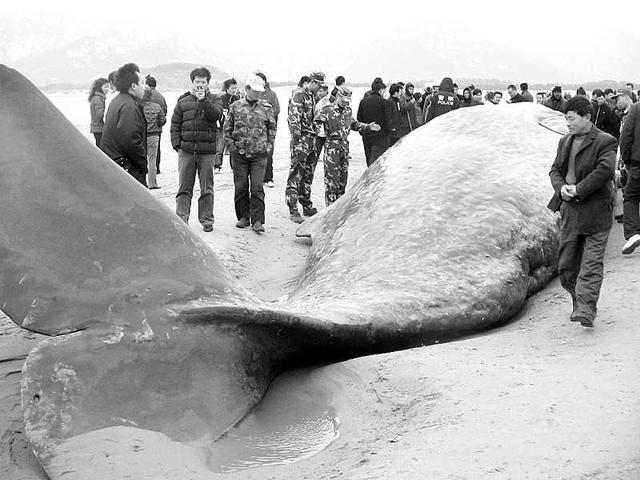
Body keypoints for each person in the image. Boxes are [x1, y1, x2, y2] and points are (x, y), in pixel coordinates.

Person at [547, 96, 617, 328]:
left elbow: (605, 170)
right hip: (570, 211)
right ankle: (578, 298)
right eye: (566, 119)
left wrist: (578, 189)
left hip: (595, 211)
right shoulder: (565, 141)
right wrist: (562, 189)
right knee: (567, 266)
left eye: (571, 118)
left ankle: (586, 309)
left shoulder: (605, 141)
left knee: (591, 264)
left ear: (587, 117)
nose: (567, 123)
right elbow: (555, 170)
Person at [170, 67, 223, 232]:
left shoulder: (214, 100)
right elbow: (175, 125)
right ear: (192, 82)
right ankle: (181, 218)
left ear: (208, 83)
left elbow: (216, 116)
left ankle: (207, 220)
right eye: (197, 81)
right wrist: (177, 145)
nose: (200, 85)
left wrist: (203, 101)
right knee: (184, 187)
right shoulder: (182, 101)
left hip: (206, 152)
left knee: (207, 188)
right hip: (186, 151)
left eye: (203, 82)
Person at [224, 74, 277, 233]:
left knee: (257, 187)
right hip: (239, 154)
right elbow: (227, 129)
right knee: (241, 186)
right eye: (254, 91)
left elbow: (272, 129)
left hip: (259, 155)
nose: (257, 94)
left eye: (259, 91)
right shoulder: (235, 106)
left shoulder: (267, 108)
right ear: (247, 89)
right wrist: (232, 147)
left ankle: (258, 220)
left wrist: (268, 146)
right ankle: (243, 217)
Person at [314, 86, 380, 206]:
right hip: (331, 148)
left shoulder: (348, 110)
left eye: (347, 101)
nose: (345, 103)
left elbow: (354, 124)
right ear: (338, 96)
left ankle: (339, 208)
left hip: (344, 148)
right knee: (331, 182)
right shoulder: (327, 109)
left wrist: (368, 127)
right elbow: (315, 125)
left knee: (342, 181)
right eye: (343, 100)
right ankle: (329, 209)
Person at [286, 71, 325, 223]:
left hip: (312, 141)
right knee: (296, 174)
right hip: (301, 142)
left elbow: (313, 119)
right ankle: (293, 208)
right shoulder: (299, 95)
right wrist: (298, 142)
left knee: (308, 175)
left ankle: (306, 205)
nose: (320, 89)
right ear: (313, 82)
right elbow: (294, 120)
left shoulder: (313, 97)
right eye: (319, 85)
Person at [100, 63, 148, 186]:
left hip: (113, 163)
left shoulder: (117, 101)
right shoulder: (129, 106)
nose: (145, 87)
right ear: (133, 86)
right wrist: (142, 162)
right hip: (126, 166)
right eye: (142, 83)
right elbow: (130, 140)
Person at [356, 77, 396, 166]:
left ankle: (369, 179)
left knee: (369, 162)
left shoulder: (363, 102)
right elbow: (388, 121)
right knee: (379, 165)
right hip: (381, 138)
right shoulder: (385, 103)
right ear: (381, 90)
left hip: (367, 137)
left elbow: (359, 119)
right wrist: (392, 131)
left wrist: (363, 131)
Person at [619, 96, 640, 254]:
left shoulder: (636, 108)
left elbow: (626, 136)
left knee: (631, 196)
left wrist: (625, 159)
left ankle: (633, 234)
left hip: (638, 162)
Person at [255, 72, 280, 187]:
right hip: (253, 130)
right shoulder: (252, 93)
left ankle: (268, 178)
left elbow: (277, 109)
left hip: (267, 130)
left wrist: (264, 115)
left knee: (268, 153)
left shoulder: (272, 94)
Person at [214, 78, 240, 172]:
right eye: (232, 88)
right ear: (227, 88)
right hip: (221, 127)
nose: (234, 90)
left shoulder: (238, 99)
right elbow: (217, 112)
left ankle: (234, 167)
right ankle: (217, 166)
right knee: (219, 148)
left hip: (234, 128)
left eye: (235, 88)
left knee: (233, 148)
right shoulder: (221, 99)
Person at [142, 86, 166, 189]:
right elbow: (163, 120)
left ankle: (142, 182)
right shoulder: (157, 106)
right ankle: (152, 183)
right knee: (152, 160)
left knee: (141, 159)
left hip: (141, 136)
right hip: (154, 135)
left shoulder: (138, 106)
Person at [144, 75, 167, 175]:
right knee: (157, 149)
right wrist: (158, 123)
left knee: (144, 148)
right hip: (157, 128)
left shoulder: (143, 96)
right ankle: (156, 168)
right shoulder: (161, 96)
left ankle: (145, 168)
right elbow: (165, 112)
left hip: (145, 128)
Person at [88, 77, 109, 147]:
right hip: (99, 129)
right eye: (105, 87)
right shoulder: (98, 99)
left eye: (108, 87)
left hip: (97, 128)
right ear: (99, 87)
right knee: (102, 148)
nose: (107, 89)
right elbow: (100, 115)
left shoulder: (97, 98)